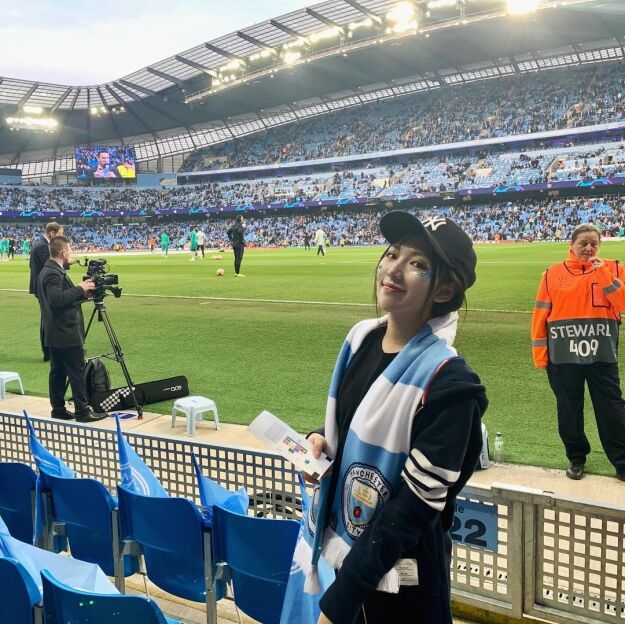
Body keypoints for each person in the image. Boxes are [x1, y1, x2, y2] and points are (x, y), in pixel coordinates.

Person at [298, 211, 487, 624]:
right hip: (347, 559)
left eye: (417, 264)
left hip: (404, 583)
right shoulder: (361, 340)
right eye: (392, 254)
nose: (394, 269)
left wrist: (339, 603)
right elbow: (355, 424)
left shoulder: (451, 384)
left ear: (445, 290)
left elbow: (413, 508)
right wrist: (322, 440)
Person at [532, 223, 625, 481]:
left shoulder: (615, 268)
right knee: (569, 409)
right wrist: (541, 355)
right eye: (583, 243)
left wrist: (603, 273)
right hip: (563, 357)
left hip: (602, 356)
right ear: (571, 245)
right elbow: (540, 315)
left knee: (612, 408)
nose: (589, 248)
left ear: (600, 246)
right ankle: (576, 457)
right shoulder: (551, 275)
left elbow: (622, 302)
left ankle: (622, 461)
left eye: (594, 243)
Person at [37, 236, 106, 423]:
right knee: (76, 372)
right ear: (63, 252)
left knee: (58, 373)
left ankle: (58, 409)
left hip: (55, 332)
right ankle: (82, 411)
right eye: (70, 250)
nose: (71, 253)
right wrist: (79, 288)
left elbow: (59, 301)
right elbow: (56, 299)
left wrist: (83, 294)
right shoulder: (53, 273)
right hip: (65, 332)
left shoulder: (48, 270)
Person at [29, 222, 65, 362]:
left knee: (47, 318)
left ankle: (50, 351)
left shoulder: (38, 244)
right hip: (44, 287)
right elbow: (50, 265)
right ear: (52, 233)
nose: (61, 238)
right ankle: (48, 352)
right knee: (48, 319)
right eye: (60, 234)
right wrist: (66, 262)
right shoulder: (43, 246)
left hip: (41, 286)